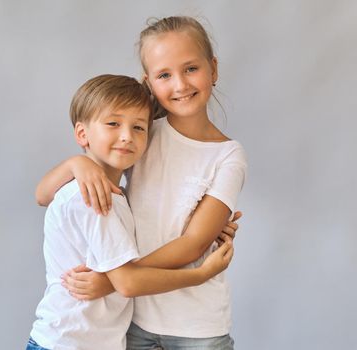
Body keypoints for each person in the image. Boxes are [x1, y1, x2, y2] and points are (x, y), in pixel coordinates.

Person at [36, 16, 247, 349]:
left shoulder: (228, 155)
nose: (180, 85)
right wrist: (76, 163)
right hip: (135, 321)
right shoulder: (140, 137)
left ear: (213, 69)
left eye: (191, 69)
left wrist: (113, 279)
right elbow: (44, 195)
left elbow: (193, 244)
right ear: (149, 84)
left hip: (197, 322)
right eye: (165, 75)